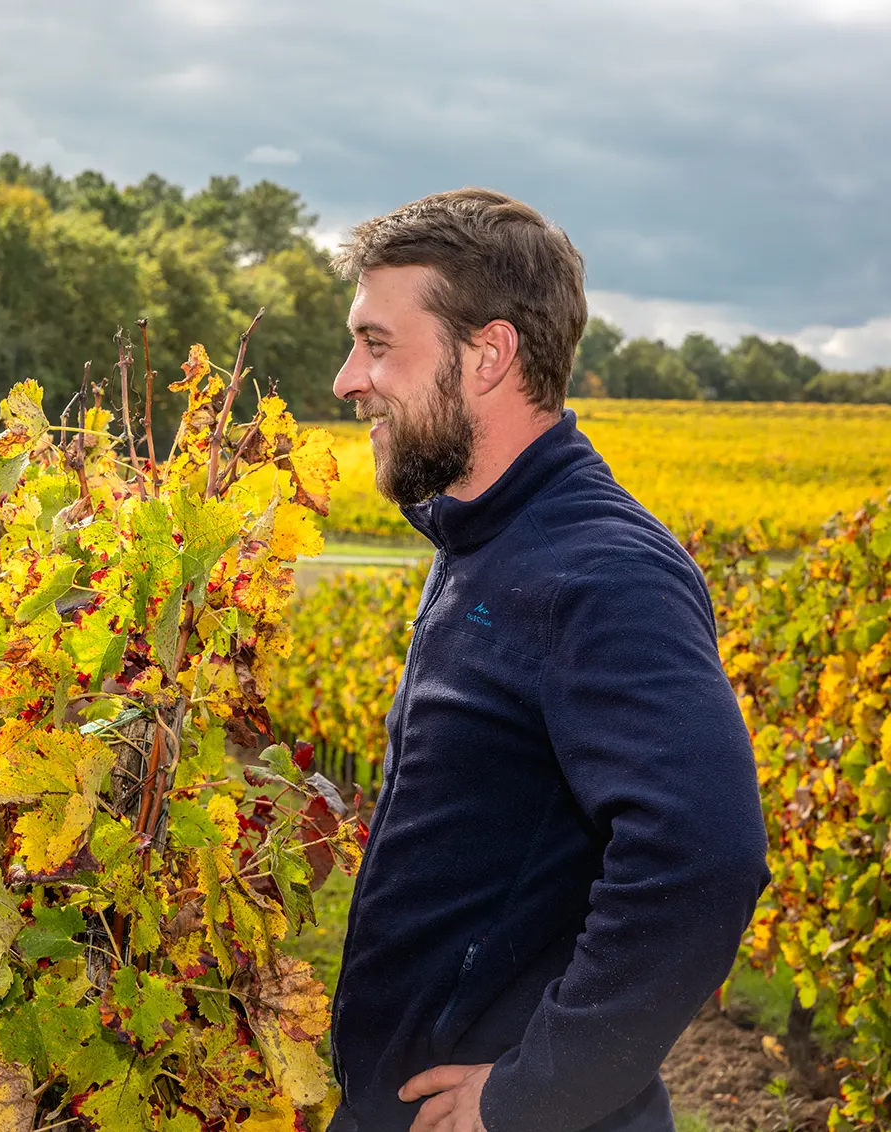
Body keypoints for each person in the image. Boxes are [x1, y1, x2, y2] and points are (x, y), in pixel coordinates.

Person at [323, 190, 770, 1132]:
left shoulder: (598, 572)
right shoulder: (489, 539)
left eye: (376, 342)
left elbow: (704, 856)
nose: (346, 379)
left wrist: (533, 1095)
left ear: (487, 355)